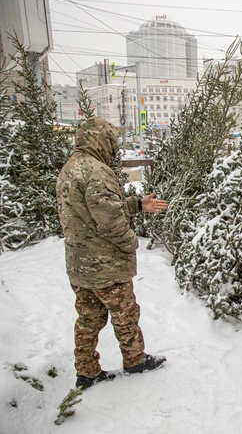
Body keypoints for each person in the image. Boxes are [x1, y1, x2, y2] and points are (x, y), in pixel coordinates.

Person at [56, 117, 169, 390]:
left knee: (88, 318)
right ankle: (135, 360)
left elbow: (93, 209)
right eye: (112, 142)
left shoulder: (70, 168)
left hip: (79, 264)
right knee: (125, 314)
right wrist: (131, 243)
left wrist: (138, 205)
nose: (114, 148)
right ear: (102, 140)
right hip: (104, 265)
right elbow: (110, 221)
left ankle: (87, 371)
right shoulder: (97, 171)